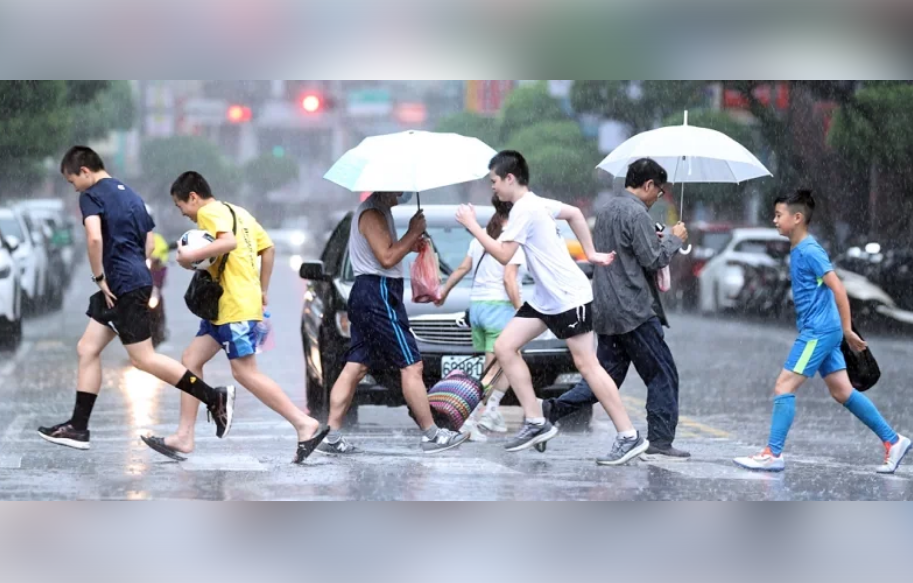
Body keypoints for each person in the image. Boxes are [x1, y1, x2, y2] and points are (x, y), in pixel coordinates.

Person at [455, 150, 648, 465]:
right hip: (546, 298)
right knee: (505, 346)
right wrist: (591, 253)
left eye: (494, 181)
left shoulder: (524, 210)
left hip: (569, 297)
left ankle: (629, 436)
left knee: (587, 366)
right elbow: (573, 213)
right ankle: (535, 421)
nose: (493, 188)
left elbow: (504, 256)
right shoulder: (536, 203)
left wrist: (472, 226)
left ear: (509, 179)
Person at [38, 147, 234, 451]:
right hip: (131, 281)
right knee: (87, 348)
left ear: (85, 171)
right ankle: (78, 427)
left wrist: (101, 277)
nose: (73, 186)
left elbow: (93, 238)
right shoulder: (131, 194)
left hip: (118, 285)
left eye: (72, 179)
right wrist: (128, 270)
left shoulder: (91, 196)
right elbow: (149, 242)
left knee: (143, 358)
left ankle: (213, 398)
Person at [141, 171, 328, 464]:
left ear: (193, 197)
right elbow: (268, 249)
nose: (185, 215)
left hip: (234, 307)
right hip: (226, 306)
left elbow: (226, 243)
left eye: (181, 207)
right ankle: (184, 436)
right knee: (191, 360)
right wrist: (262, 289)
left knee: (245, 372)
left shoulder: (209, 212)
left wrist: (189, 257)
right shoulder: (238, 212)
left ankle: (304, 424)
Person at [734, 190, 910, 473]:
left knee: (784, 386)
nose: (775, 220)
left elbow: (838, 288)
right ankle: (893, 441)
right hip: (821, 329)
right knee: (842, 391)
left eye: (779, 215)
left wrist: (847, 331)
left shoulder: (809, 250)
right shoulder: (800, 248)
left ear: (797, 217)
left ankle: (773, 454)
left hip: (818, 331)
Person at [541, 158, 692, 461]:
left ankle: (555, 410)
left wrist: (656, 236)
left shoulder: (607, 209)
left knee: (604, 379)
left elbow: (626, 252)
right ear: (648, 185)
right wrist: (675, 239)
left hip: (606, 309)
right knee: (663, 374)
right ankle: (661, 439)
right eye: (658, 192)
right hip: (633, 310)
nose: (657, 198)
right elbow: (653, 260)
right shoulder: (636, 213)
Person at [316, 192, 470, 455]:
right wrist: (413, 231)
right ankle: (432, 435)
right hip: (378, 294)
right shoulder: (372, 213)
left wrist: (411, 243)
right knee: (412, 365)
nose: (403, 193)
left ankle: (330, 435)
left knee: (357, 365)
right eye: (399, 188)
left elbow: (386, 252)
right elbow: (387, 258)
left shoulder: (378, 211)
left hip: (374, 292)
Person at [435, 196, 524, 441]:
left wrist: (444, 291)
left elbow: (463, 268)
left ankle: (491, 411)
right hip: (500, 308)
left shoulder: (483, 235)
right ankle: (472, 417)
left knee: (506, 361)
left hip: (479, 308)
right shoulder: (512, 238)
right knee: (495, 368)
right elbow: (509, 280)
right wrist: (523, 311)